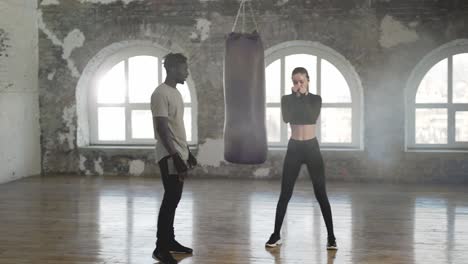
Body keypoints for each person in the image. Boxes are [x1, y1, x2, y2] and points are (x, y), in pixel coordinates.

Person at [265, 67, 337, 250]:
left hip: (311, 147)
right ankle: (275, 234)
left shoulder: (315, 99)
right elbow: (287, 118)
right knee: (285, 194)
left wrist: (303, 97)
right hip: (294, 148)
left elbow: (311, 116)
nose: (298, 85)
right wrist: (296, 97)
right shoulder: (286, 100)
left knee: (321, 194)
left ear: (307, 81)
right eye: (295, 82)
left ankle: (331, 237)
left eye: (301, 81)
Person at [151, 53, 198, 264]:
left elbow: (176, 126)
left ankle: (169, 242)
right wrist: (175, 156)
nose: (186, 72)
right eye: (183, 68)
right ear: (172, 69)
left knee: (174, 199)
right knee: (170, 200)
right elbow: (162, 128)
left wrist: (188, 152)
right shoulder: (160, 93)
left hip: (178, 152)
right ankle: (160, 248)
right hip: (169, 155)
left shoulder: (176, 93)